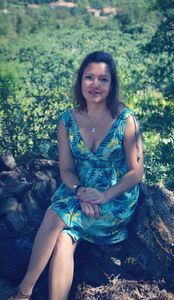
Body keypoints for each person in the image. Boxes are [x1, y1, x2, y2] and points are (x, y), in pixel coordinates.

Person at [8, 51, 144, 300]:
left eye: (103, 79)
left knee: (55, 213)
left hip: (114, 201)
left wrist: (103, 196)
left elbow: (137, 172)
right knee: (62, 240)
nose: (95, 84)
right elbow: (66, 171)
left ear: (112, 84)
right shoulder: (67, 121)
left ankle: (23, 292)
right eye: (89, 77)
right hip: (77, 193)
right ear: (80, 81)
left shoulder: (126, 120)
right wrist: (81, 191)